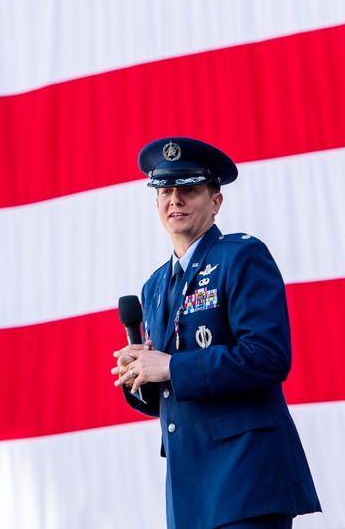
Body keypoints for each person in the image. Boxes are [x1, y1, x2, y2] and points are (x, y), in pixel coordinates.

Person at [112, 137, 321, 529]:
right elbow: (171, 394)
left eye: (189, 190)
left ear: (215, 202)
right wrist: (140, 375)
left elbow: (268, 356)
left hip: (246, 481)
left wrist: (171, 366)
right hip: (188, 491)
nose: (176, 201)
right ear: (156, 203)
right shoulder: (153, 286)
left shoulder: (242, 257)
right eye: (166, 191)